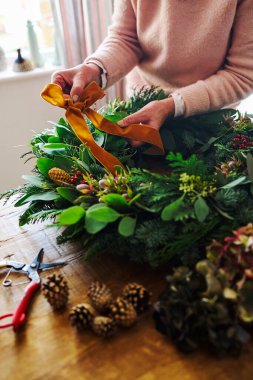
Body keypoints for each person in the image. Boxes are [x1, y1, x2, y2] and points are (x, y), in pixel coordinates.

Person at [52, 0, 253, 147]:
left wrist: (173, 104)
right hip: (142, 106)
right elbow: (125, 38)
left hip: (212, 121)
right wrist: (94, 68)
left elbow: (242, 73)